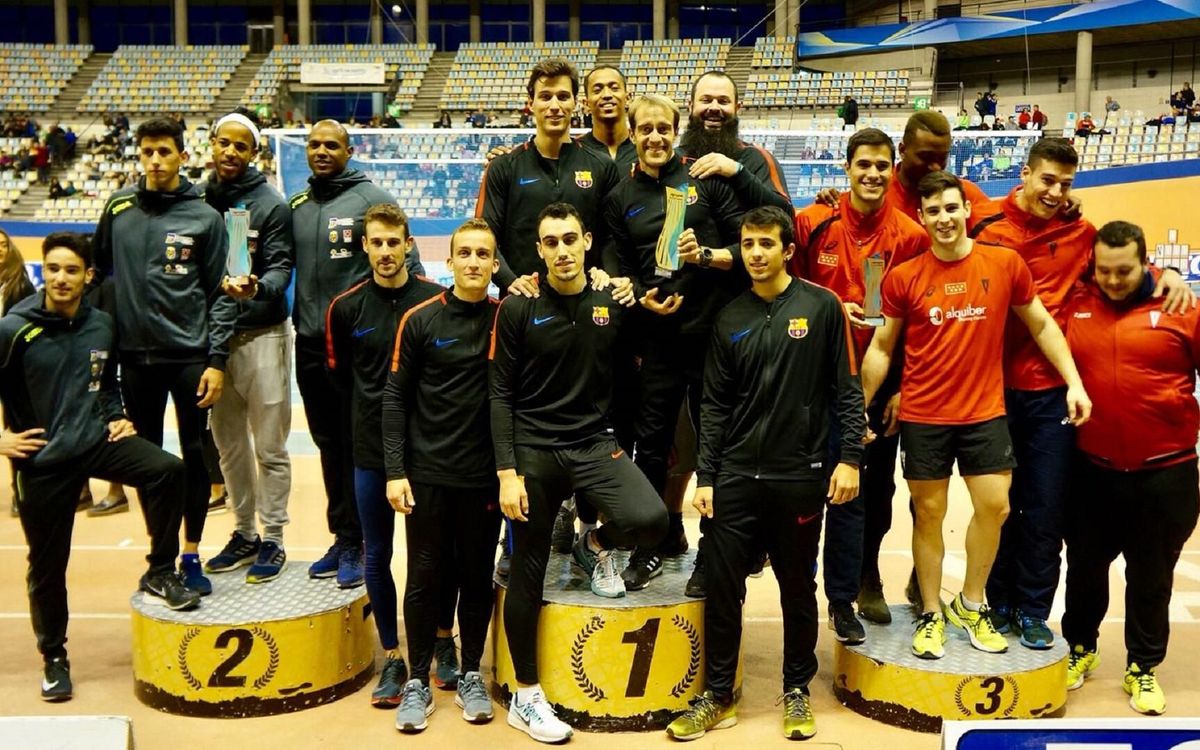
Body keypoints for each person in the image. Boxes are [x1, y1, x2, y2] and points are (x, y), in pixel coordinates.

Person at [970, 137, 1192, 649]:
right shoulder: (986, 225)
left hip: (1052, 393)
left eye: (1066, 184)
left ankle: (1032, 611)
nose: (1055, 192)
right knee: (997, 507)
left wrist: (1168, 273)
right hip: (992, 390)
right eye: (1047, 180)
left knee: (1046, 510)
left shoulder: (1081, 233)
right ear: (1025, 174)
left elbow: (1124, 266)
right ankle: (996, 603)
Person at [860, 170, 1090, 660]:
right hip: (925, 415)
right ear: (922, 218)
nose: (944, 218)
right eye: (933, 211)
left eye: (951, 208)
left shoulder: (1005, 263)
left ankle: (970, 603)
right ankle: (929, 612)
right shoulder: (901, 277)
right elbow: (881, 347)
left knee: (996, 507)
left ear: (967, 210)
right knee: (929, 514)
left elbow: (1042, 325)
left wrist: (1073, 381)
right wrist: (859, 406)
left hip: (985, 412)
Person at [665, 207, 864, 742]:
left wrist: (849, 459)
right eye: (748, 244)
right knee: (722, 587)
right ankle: (718, 694)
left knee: (797, 587)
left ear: (787, 250)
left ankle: (796, 690)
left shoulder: (822, 308)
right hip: (734, 476)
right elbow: (714, 406)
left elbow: (847, 389)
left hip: (798, 475)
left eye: (766, 244)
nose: (755, 253)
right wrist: (707, 476)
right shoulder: (730, 317)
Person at [492, 203, 668, 743]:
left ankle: (592, 544)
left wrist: (633, 289)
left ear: (587, 241)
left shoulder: (609, 301)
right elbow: (499, 395)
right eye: (551, 242)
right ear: (538, 250)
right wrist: (507, 473)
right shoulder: (519, 307)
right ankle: (526, 696)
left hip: (593, 444)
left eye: (570, 239)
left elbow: (641, 351)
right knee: (529, 566)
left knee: (652, 520)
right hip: (535, 450)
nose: (562, 250)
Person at [4, 232, 200, 702]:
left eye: (72, 270)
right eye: (53, 269)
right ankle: (54, 658)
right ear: (43, 272)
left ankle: (159, 570)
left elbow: (104, 380)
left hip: (95, 444)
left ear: (88, 276)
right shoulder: (14, 329)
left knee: (167, 471)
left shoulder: (101, 325)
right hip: (43, 461)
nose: (61, 278)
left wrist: (115, 414)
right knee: (48, 566)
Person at [604, 92, 746, 595]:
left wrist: (705, 255)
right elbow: (618, 261)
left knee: (716, 445)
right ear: (633, 133)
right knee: (652, 445)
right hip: (657, 339)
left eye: (663, 128)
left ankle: (712, 550)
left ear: (675, 130)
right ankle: (650, 545)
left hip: (711, 339)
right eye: (645, 129)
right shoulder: (621, 196)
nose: (655, 137)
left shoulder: (704, 182)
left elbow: (744, 245)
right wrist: (640, 295)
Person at [791, 127, 930, 639]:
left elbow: (919, 321)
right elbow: (788, 286)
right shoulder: (813, 222)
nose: (872, 174)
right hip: (811, 381)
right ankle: (799, 586)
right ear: (846, 167)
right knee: (805, 490)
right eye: (863, 164)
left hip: (879, 384)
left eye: (881, 166)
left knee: (871, 492)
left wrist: (904, 388)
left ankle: (856, 586)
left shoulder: (911, 237)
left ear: (893, 170)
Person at [1061, 221, 1200, 716]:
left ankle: (1142, 666)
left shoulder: (1182, 308)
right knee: (1084, 570)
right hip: (1091, 470)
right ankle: (1080, 648)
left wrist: (1172, 276)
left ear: (1146, 264)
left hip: (1165, 471)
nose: (1114, 280)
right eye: (1105, 271)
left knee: (1151, 577)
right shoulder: (1076, 302)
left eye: (1124, 271)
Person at [92, 115, 235, 595]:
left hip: (190, 357)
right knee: (147, 461)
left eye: (164, 152)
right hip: (134, 359)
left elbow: (220, 294)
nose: (155, 161)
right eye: (147, 152)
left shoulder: (205, 217)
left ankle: (190, 554)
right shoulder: (118, 208)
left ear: (182, 155)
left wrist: (216, 359)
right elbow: (99, 276)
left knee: (194, 455)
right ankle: (161, 559)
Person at [289, 119, 424, 589]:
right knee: (329, 445)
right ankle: (345, 537)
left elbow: (408, 265)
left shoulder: (370, 198)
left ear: (348, 151)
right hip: (311, 342)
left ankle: (366, 540)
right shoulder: (297, 206)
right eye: (314, 144)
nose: (322, 151)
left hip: (360, 346)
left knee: (358, 445)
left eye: (332, 145)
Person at [382, 218, 502, 731]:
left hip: (484, 478)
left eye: (483, 254)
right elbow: (394, 399)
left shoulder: (506, 318)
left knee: (475, 574)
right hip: (428, 475)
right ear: (449, 261)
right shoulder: (420, 319)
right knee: (424, 576)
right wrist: (395, 471)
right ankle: (416, 680)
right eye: (465, 253)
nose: (473, 262)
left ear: (495, 264)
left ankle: (472, 673)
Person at [326, 203, 442, 705]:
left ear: (408, 244)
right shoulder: (346, 308)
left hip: (428, 453)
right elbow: (338, 381)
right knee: (377, 552)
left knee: (430, 555)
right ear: (365, 247)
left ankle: (439, 643)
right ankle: (393, 655)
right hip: (371, 453)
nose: (386, 251)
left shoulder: (435, 299)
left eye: (394, 242)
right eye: (377, 242)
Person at [199, 110, 295, 585]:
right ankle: (243, 533)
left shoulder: (267, 205)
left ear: (255, 152)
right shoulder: (198, 200)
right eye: (225, 143)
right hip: (215, 346)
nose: (231, 152)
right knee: (230, 447)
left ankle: (273, 536)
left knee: (270, 446)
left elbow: (279, 268)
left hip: (262, 337)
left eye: (241, 146)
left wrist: (257, 288)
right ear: (212, 144)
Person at [475, 58, 622, 294]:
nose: (554, 106)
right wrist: (509, 281)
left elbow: (612, 237)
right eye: (545, 97)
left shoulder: (602, 166)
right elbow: (484, 235)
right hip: (524, 302)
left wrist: (608, 273)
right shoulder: (503, 167)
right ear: (530, 103)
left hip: (587, 301)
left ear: (575, 102)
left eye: (563, 97)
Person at [577, 65, 637, 172]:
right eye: (597, 90)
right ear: (586, 103)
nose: (607, 95)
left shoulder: (645, 149)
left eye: (614, 88)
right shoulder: (575, 150)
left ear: (628, 98)